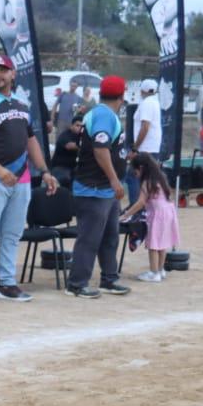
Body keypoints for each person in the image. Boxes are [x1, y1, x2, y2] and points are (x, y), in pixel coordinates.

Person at [0, 53, 58, 304]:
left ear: (12, 74)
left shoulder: (20, 105)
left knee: (12, 233)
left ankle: (6, 283)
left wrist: (45, 171)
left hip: (22, 179)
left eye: (3, 70)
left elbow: (31, 141)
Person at [67, 75, 132, 299]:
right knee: (90, 237)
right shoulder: (104, 115)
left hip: (105, 189)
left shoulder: (101, 113)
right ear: (122, 97)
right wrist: (115, 179)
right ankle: (76, 284)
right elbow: (100, 149)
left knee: (109, 236)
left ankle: (109, 278)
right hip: (94, 187)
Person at [120, 154, 179, 282]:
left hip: (158, 215)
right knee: (162, 244)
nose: (134, 174)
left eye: (134, 170)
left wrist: (125, 215)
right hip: (168, 212)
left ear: (141, 168)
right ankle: (160, 270)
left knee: (153, 245)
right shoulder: (160, 177)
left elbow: (140, 202)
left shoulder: (147, 182)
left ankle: (153, 273)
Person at [132, 79, 163, 160]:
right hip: (150, 148)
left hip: (145, 149)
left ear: (142, 91)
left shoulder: (147, 103)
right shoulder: (154, 101)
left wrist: (135, 148)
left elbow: (145, 127)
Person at [51, 109, 86, 180]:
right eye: (77, 125)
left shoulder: (82, 136)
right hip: (60, 167)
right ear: (71, 126)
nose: (79, 128)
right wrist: (86, 145)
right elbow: (69, 146)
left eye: (81, 126)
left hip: (73, 167)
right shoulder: (65, 135)